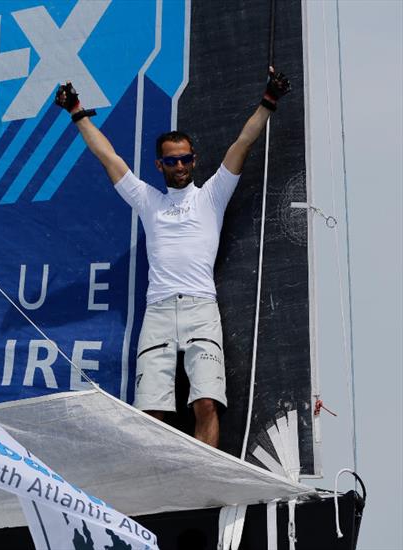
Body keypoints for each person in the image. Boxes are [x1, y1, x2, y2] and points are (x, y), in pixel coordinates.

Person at [55, 69, 291, 448]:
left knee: (206, 404)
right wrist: (77, 111)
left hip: (201, 308)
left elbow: (242, 143)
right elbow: (108, 157)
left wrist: (269, 100)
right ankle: (162, 491)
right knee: (151, 413)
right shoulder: (150, 201)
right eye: (171, 162)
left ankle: (204, 488)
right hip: (159, 311)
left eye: (184, 160)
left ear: (194, 161)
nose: (179, 167)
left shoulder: (212, 195)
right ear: (159, 166)